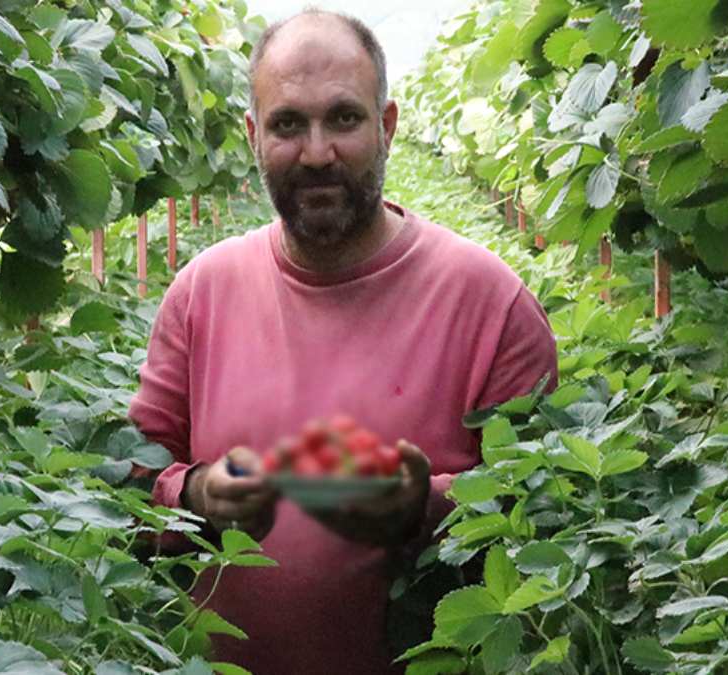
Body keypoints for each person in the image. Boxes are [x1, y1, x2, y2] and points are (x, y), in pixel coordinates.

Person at [129, 9, 557, 674]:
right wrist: (194, 497)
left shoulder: (489, 301)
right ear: (252, 135)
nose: (318, 152)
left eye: (345, 118)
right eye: (288, 124)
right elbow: (124, 493)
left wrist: (429, 506)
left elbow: (548, 515)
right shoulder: (201, 294)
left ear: (386, 126)